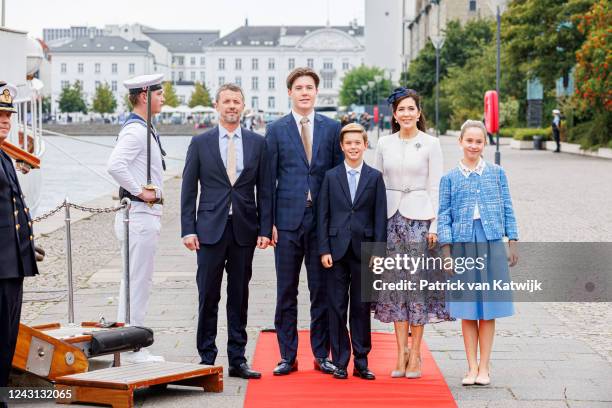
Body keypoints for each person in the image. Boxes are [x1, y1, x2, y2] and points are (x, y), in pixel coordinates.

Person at [181, 83, 272, 379]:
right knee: (207, 294)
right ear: (217, 106)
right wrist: (187, 229)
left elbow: (266, 190)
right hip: (208, 230)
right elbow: (187, 189)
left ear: (243, 107)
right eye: (227, 102)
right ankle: (207, 357)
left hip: (244, 230)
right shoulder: (200, 143)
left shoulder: (258, 143)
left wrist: (264, 227)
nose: (232, 106)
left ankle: (237, 359)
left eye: (237, 102)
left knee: (239, 296)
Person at [266, 67, 343, 376]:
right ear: (290, 93)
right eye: (299, 87)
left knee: (320, 291)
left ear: (316, 92)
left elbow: (337, 180)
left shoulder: (332, 127)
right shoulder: (275, 129)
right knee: (286, 291)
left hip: (321, 224)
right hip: (285, 223)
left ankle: (320, 355)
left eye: (309, 87)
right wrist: (267, 223)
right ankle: (288, 355)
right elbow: (267, 180)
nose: (305, 92)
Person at [373, 87, 453, 379]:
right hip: (391, 220)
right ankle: (400, 353)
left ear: (419, 113)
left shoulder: (431, 143)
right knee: (395, 289)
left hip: (421, 220)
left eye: (411, 109)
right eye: (401, 109)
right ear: (394, 115)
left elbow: (437, 187)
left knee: (417, 287)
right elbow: (377, 185)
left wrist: (435, 226)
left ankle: (416, 352)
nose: (406, 114)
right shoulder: (384, 143)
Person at [438, 119, 518, 386]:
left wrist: (512, 240)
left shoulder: (497, 173)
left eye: (479, 141)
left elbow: (507, 206)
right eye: (469, 140)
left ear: (485, 144)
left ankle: (485, 367)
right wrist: (446, 252)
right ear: (460, 142)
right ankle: (471, 366)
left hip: (491, 241)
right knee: (467, 308)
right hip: (461, 244)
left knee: (489, 307)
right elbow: (443, 215)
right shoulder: (448, 178)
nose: (473, 145)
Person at [318, 123, 387, 380]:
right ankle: (340, 361)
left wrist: (378, 251)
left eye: (358, 143)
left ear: (365, 145)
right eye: (349, 143)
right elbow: (322, 215)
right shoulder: (331, 176)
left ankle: (361, 361)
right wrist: (323, 248)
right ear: (342, 146)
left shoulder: (375, 177)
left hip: (365, 251)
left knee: (361, 307)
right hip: (335, 251)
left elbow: (380, 217)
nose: (353, 147)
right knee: (336, 307)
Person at [107, 74, 166, 363]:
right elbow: (115, 165)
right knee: (138, 281)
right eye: (159, 93)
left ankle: (124, 343)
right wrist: (141, 192)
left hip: (141, 216)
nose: (163, 97)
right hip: (140, 215)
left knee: (132, 281)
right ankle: (133, 349)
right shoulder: (135, 131)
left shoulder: (144, 128)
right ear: (144, 95)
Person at [0, 83, 39, 394]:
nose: (5, 121)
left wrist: (25, 242)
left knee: (7, 335)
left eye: (8, 115)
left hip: (11, 262)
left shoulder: (3, 156)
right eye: (0, 115)